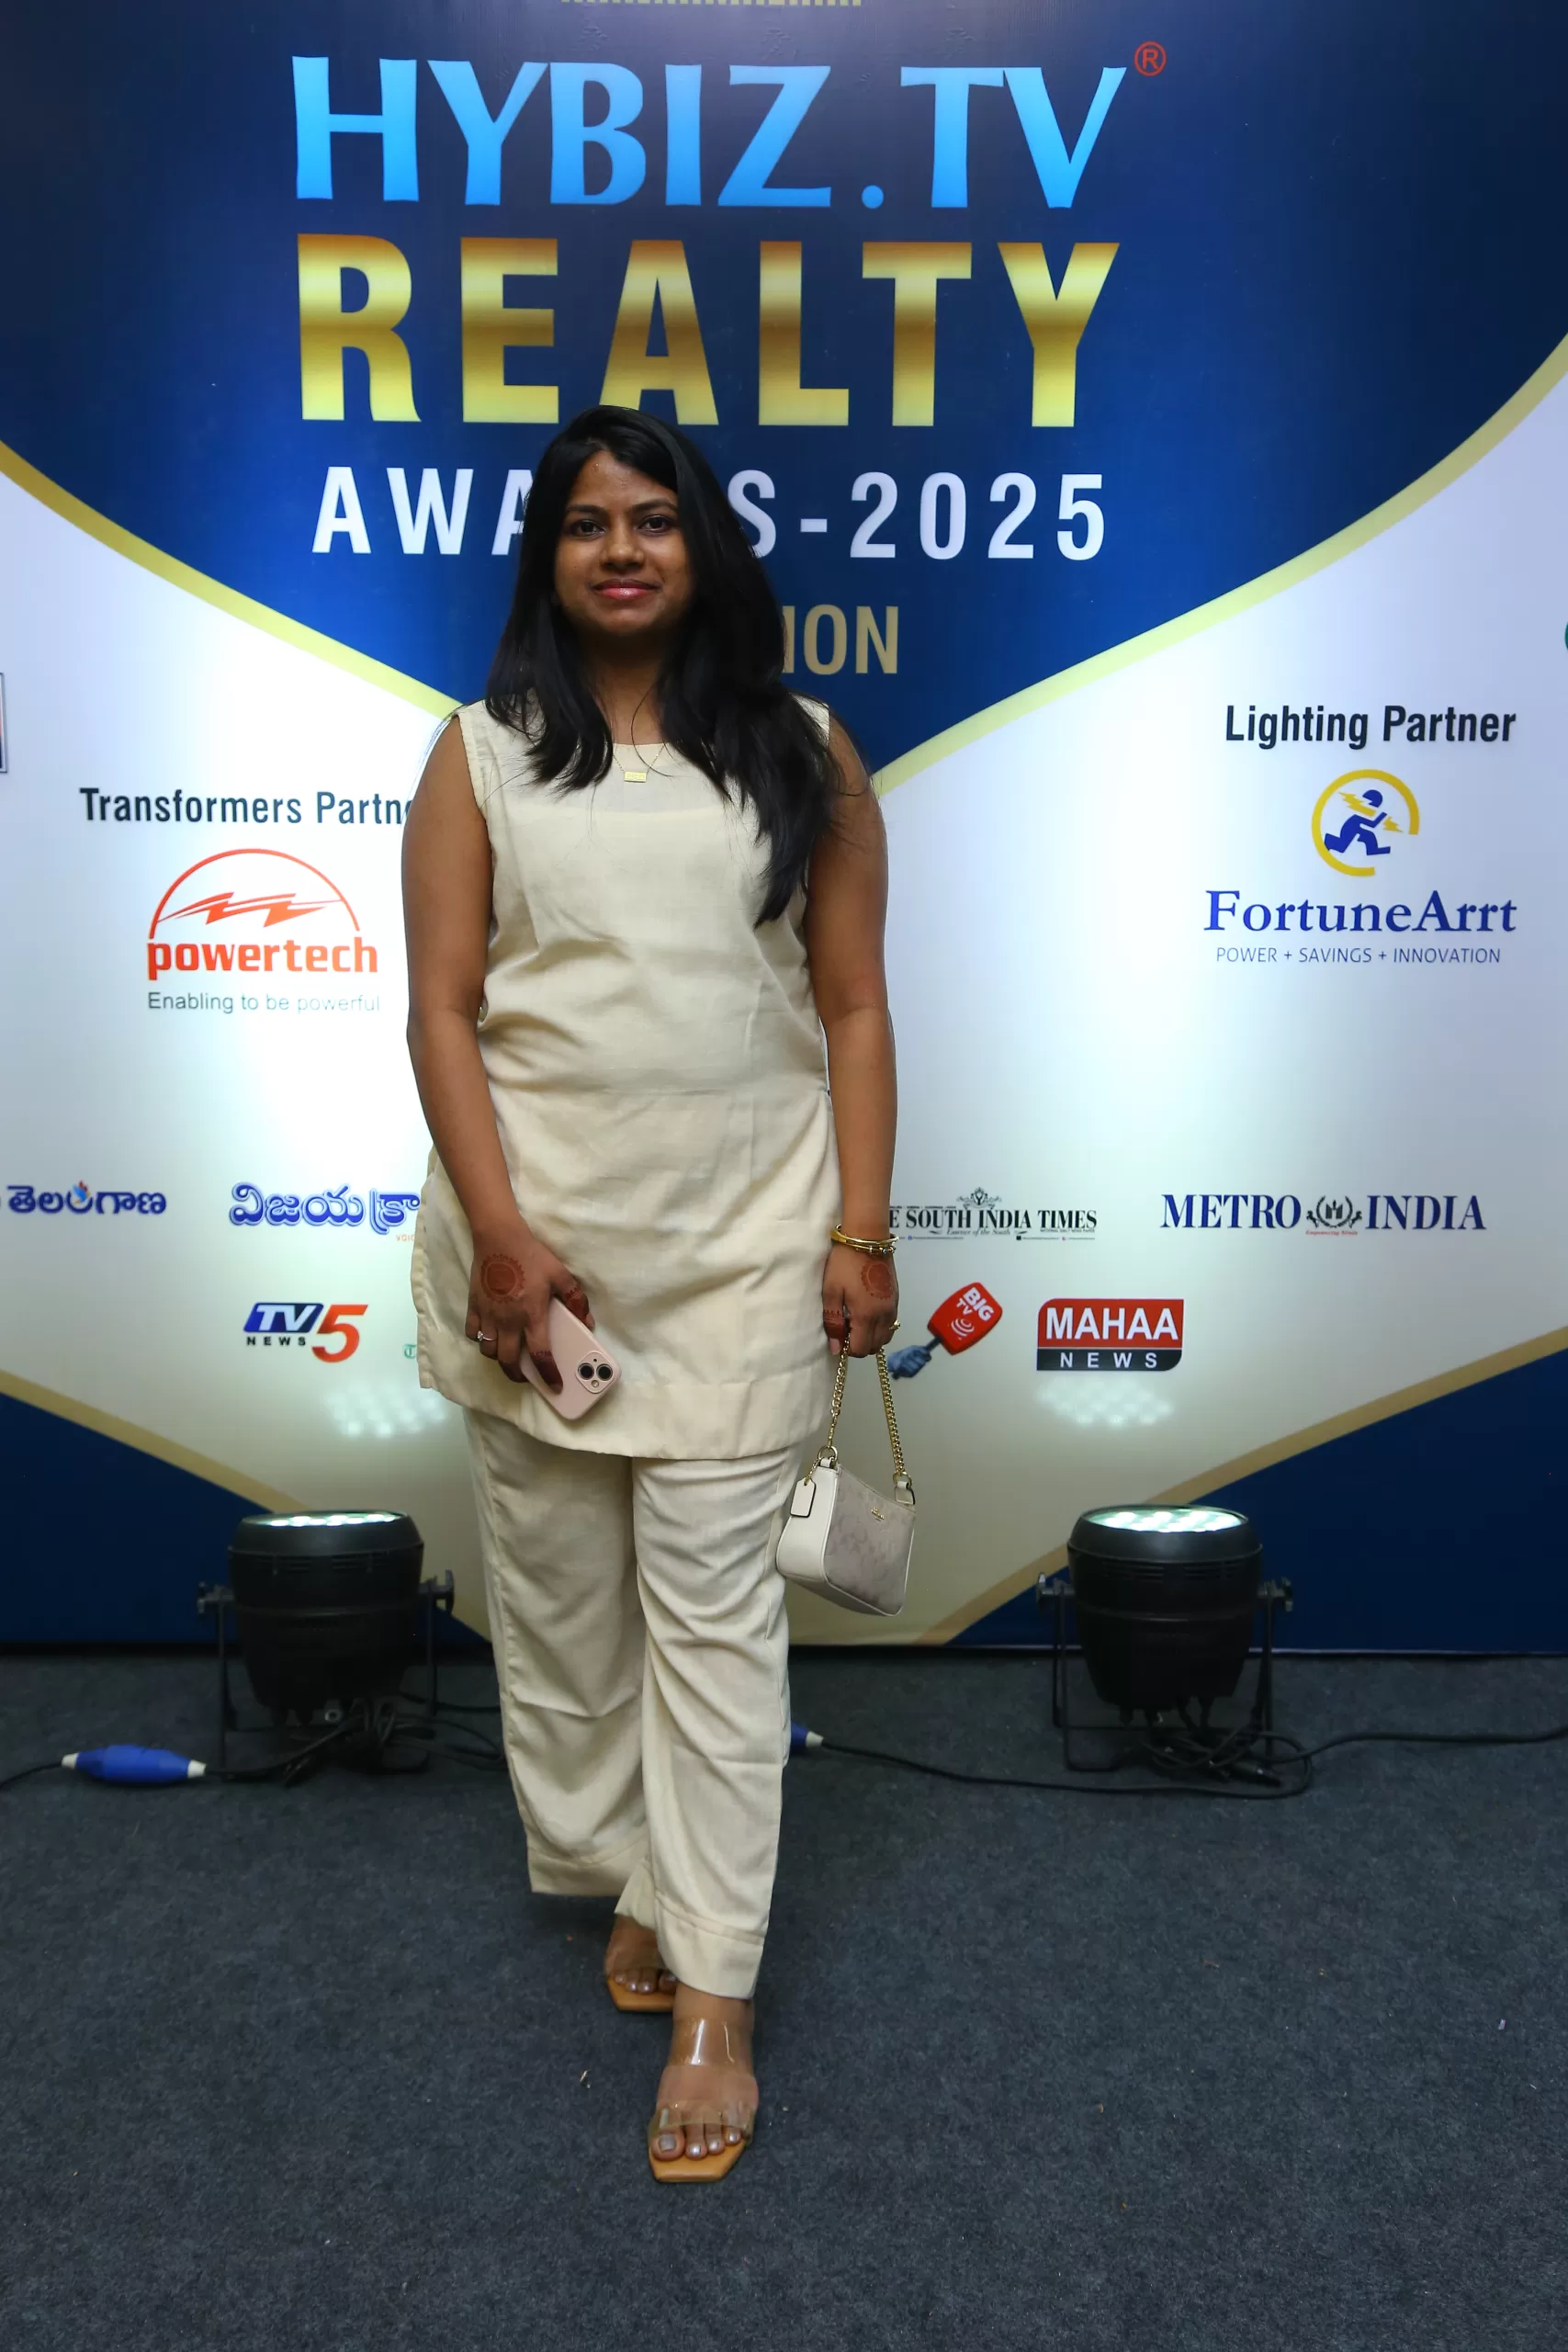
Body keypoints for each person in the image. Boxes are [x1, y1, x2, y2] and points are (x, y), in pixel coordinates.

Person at [401, 406, 898, 2181]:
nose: (622, 550)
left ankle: (715, 1990)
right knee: (565, 1624)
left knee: (715, 1629)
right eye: (587, 523)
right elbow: (440, 1010)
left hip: (746, 1248)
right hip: (538, 1266)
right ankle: (638, 1875)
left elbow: (852, 1005)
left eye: (655, 520)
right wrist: (502, 1237)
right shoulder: (478, 755)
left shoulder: (807, 749)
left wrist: (860, 1231)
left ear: (705, 547)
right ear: (547, 557)